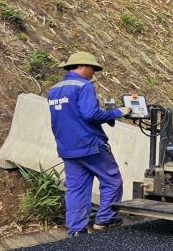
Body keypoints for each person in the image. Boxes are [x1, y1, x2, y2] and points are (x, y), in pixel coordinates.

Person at [47, 52, 134, 236]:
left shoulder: (54, 90)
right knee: (112, 180)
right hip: (90, 145)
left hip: (68, 148)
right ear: (80, 66)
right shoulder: (83, 85)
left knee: (76, 189)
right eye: (92, 68)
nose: (93, 72)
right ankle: (105, 219)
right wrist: (117, 112)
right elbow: (90, 114)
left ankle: (77, 230)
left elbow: (68, 117)